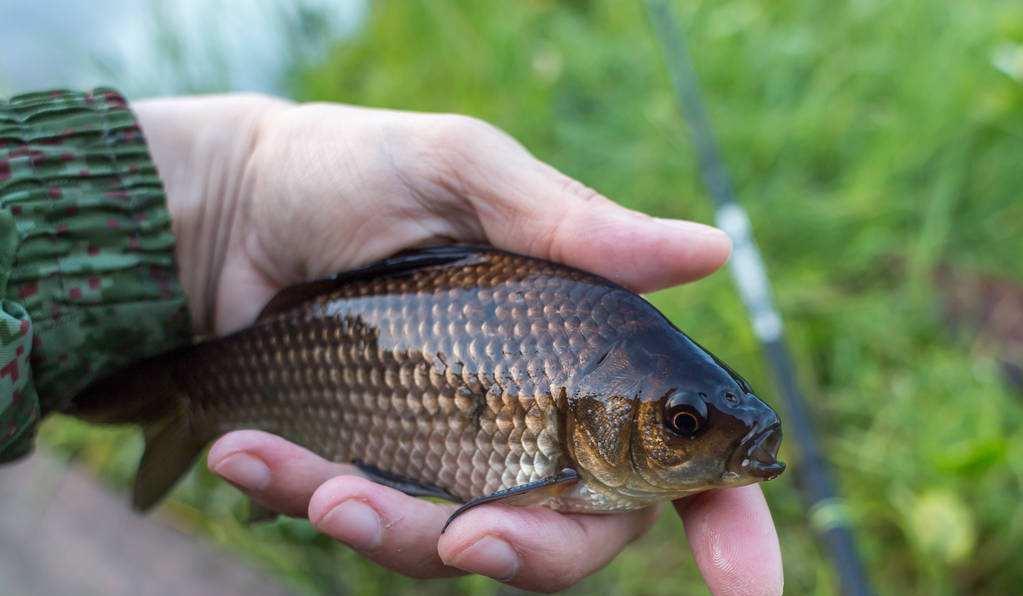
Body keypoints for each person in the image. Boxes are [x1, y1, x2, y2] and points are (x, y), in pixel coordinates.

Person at [0, 89, 782, 594]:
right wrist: (231, 178)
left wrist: (233, 178)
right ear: (597, 416)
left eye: (686, 423)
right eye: (683, 422)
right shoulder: (595, 345)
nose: (698, 432)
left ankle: (180, 394)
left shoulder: (604, 341)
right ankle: (183, 397)